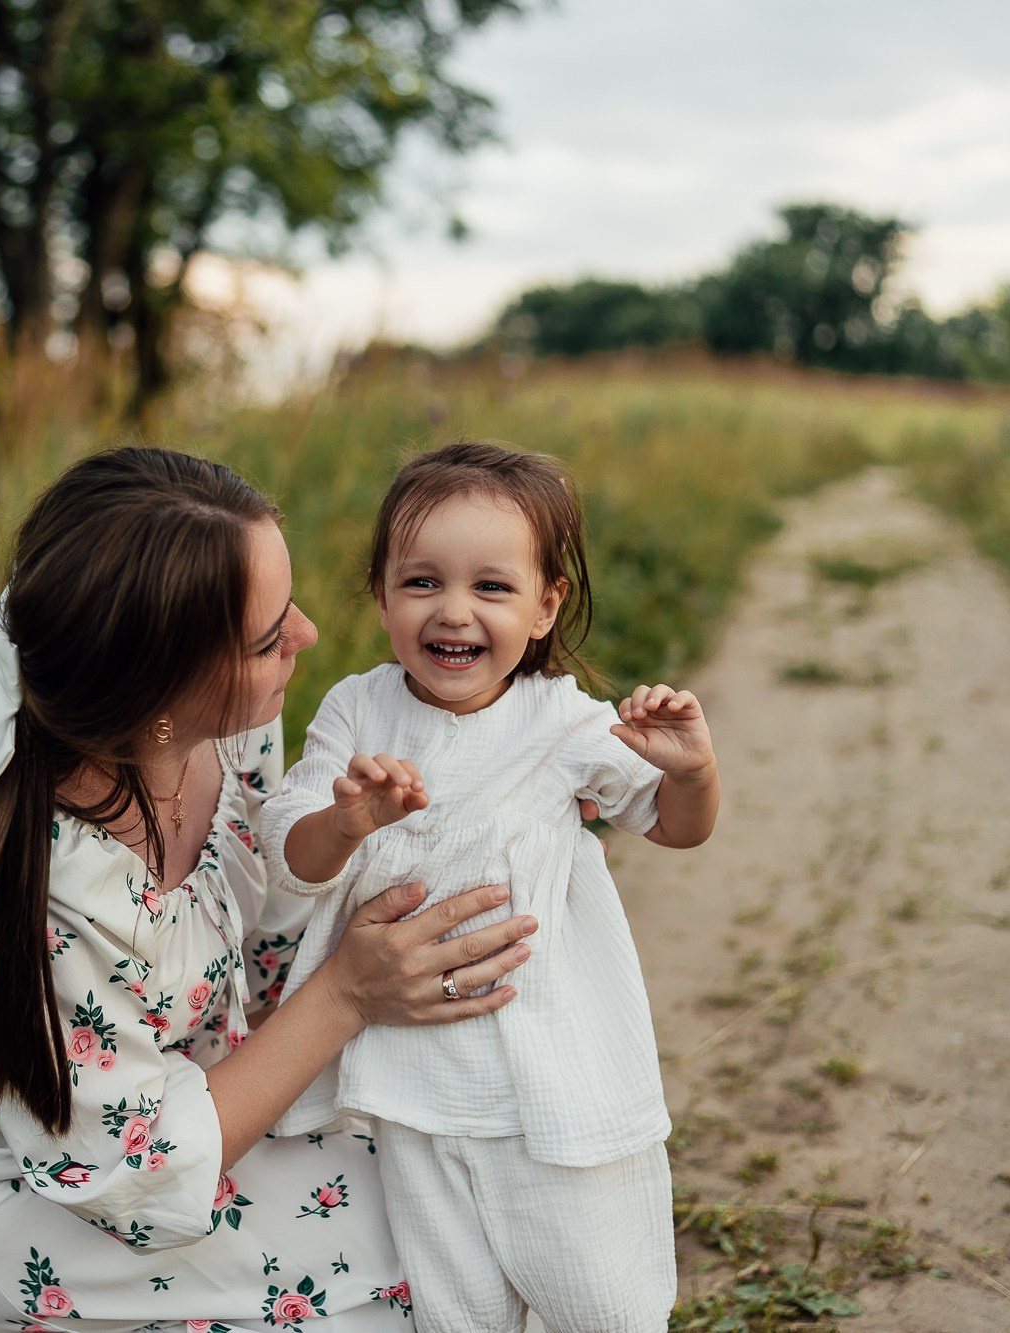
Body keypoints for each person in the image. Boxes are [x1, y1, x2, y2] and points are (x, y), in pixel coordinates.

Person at [0, 447, 545, 1331]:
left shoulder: (221, 727)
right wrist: (346, 996)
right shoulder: (43, 885)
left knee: (481, 1201)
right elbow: (136, 1174)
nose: (305, 633)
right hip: (41, 1195)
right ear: (164, 690)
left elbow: (263, 939)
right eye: (268, 637)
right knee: (416, 1288)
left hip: (199, 1084)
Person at [262, 441, 721, 1333]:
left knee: (600, 1297)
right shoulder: (358, 710)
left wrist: (693, 769)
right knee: (454, 1305)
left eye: (493, 587)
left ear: (547, 607)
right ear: (383, 594)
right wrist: (347, 822)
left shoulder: (564, 723)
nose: (455, 611)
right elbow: (290, 849)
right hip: (412, 1082)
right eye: (423, 581)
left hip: (546, 1072)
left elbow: (672, 824)